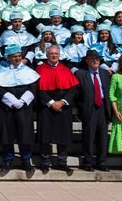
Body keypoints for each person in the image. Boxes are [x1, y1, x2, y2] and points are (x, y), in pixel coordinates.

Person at [0, 44, 40, 172]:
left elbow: (33, 87)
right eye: (14, 56)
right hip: (7, 108)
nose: (17, 59)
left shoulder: (28, 70)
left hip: (24, 107)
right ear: (8, 57)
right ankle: (8, 160)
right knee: (7, 134)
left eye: (19, 56)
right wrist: (11, 100)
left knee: (25, 134)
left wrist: (23, 101)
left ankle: (26, 160)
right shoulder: (1, 70)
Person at [35, 45, 79, 174]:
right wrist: (51, 103)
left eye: (56, 54)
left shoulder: (65, 69)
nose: (54, 56)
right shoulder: (40, 69)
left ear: (59, 55)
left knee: (63, 135)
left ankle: (62, 161)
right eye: (51, 54)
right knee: (45, 135)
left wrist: (62, 102)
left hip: (63, 107)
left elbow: (72, 89)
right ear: (47, 55)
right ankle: (45, 162)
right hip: (46, 107)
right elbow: (38, 89)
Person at [74, 49, 112, 172]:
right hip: (88, 108)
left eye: (97, 59)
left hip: (103, 107)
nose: (95, 61)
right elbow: (76, 93)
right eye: (92, 59)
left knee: (103, 137)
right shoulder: (80, 73)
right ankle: (88, 162)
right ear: (87, 61)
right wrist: (80, 108)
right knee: (89, 136)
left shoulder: (105, 73)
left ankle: (102, 162)